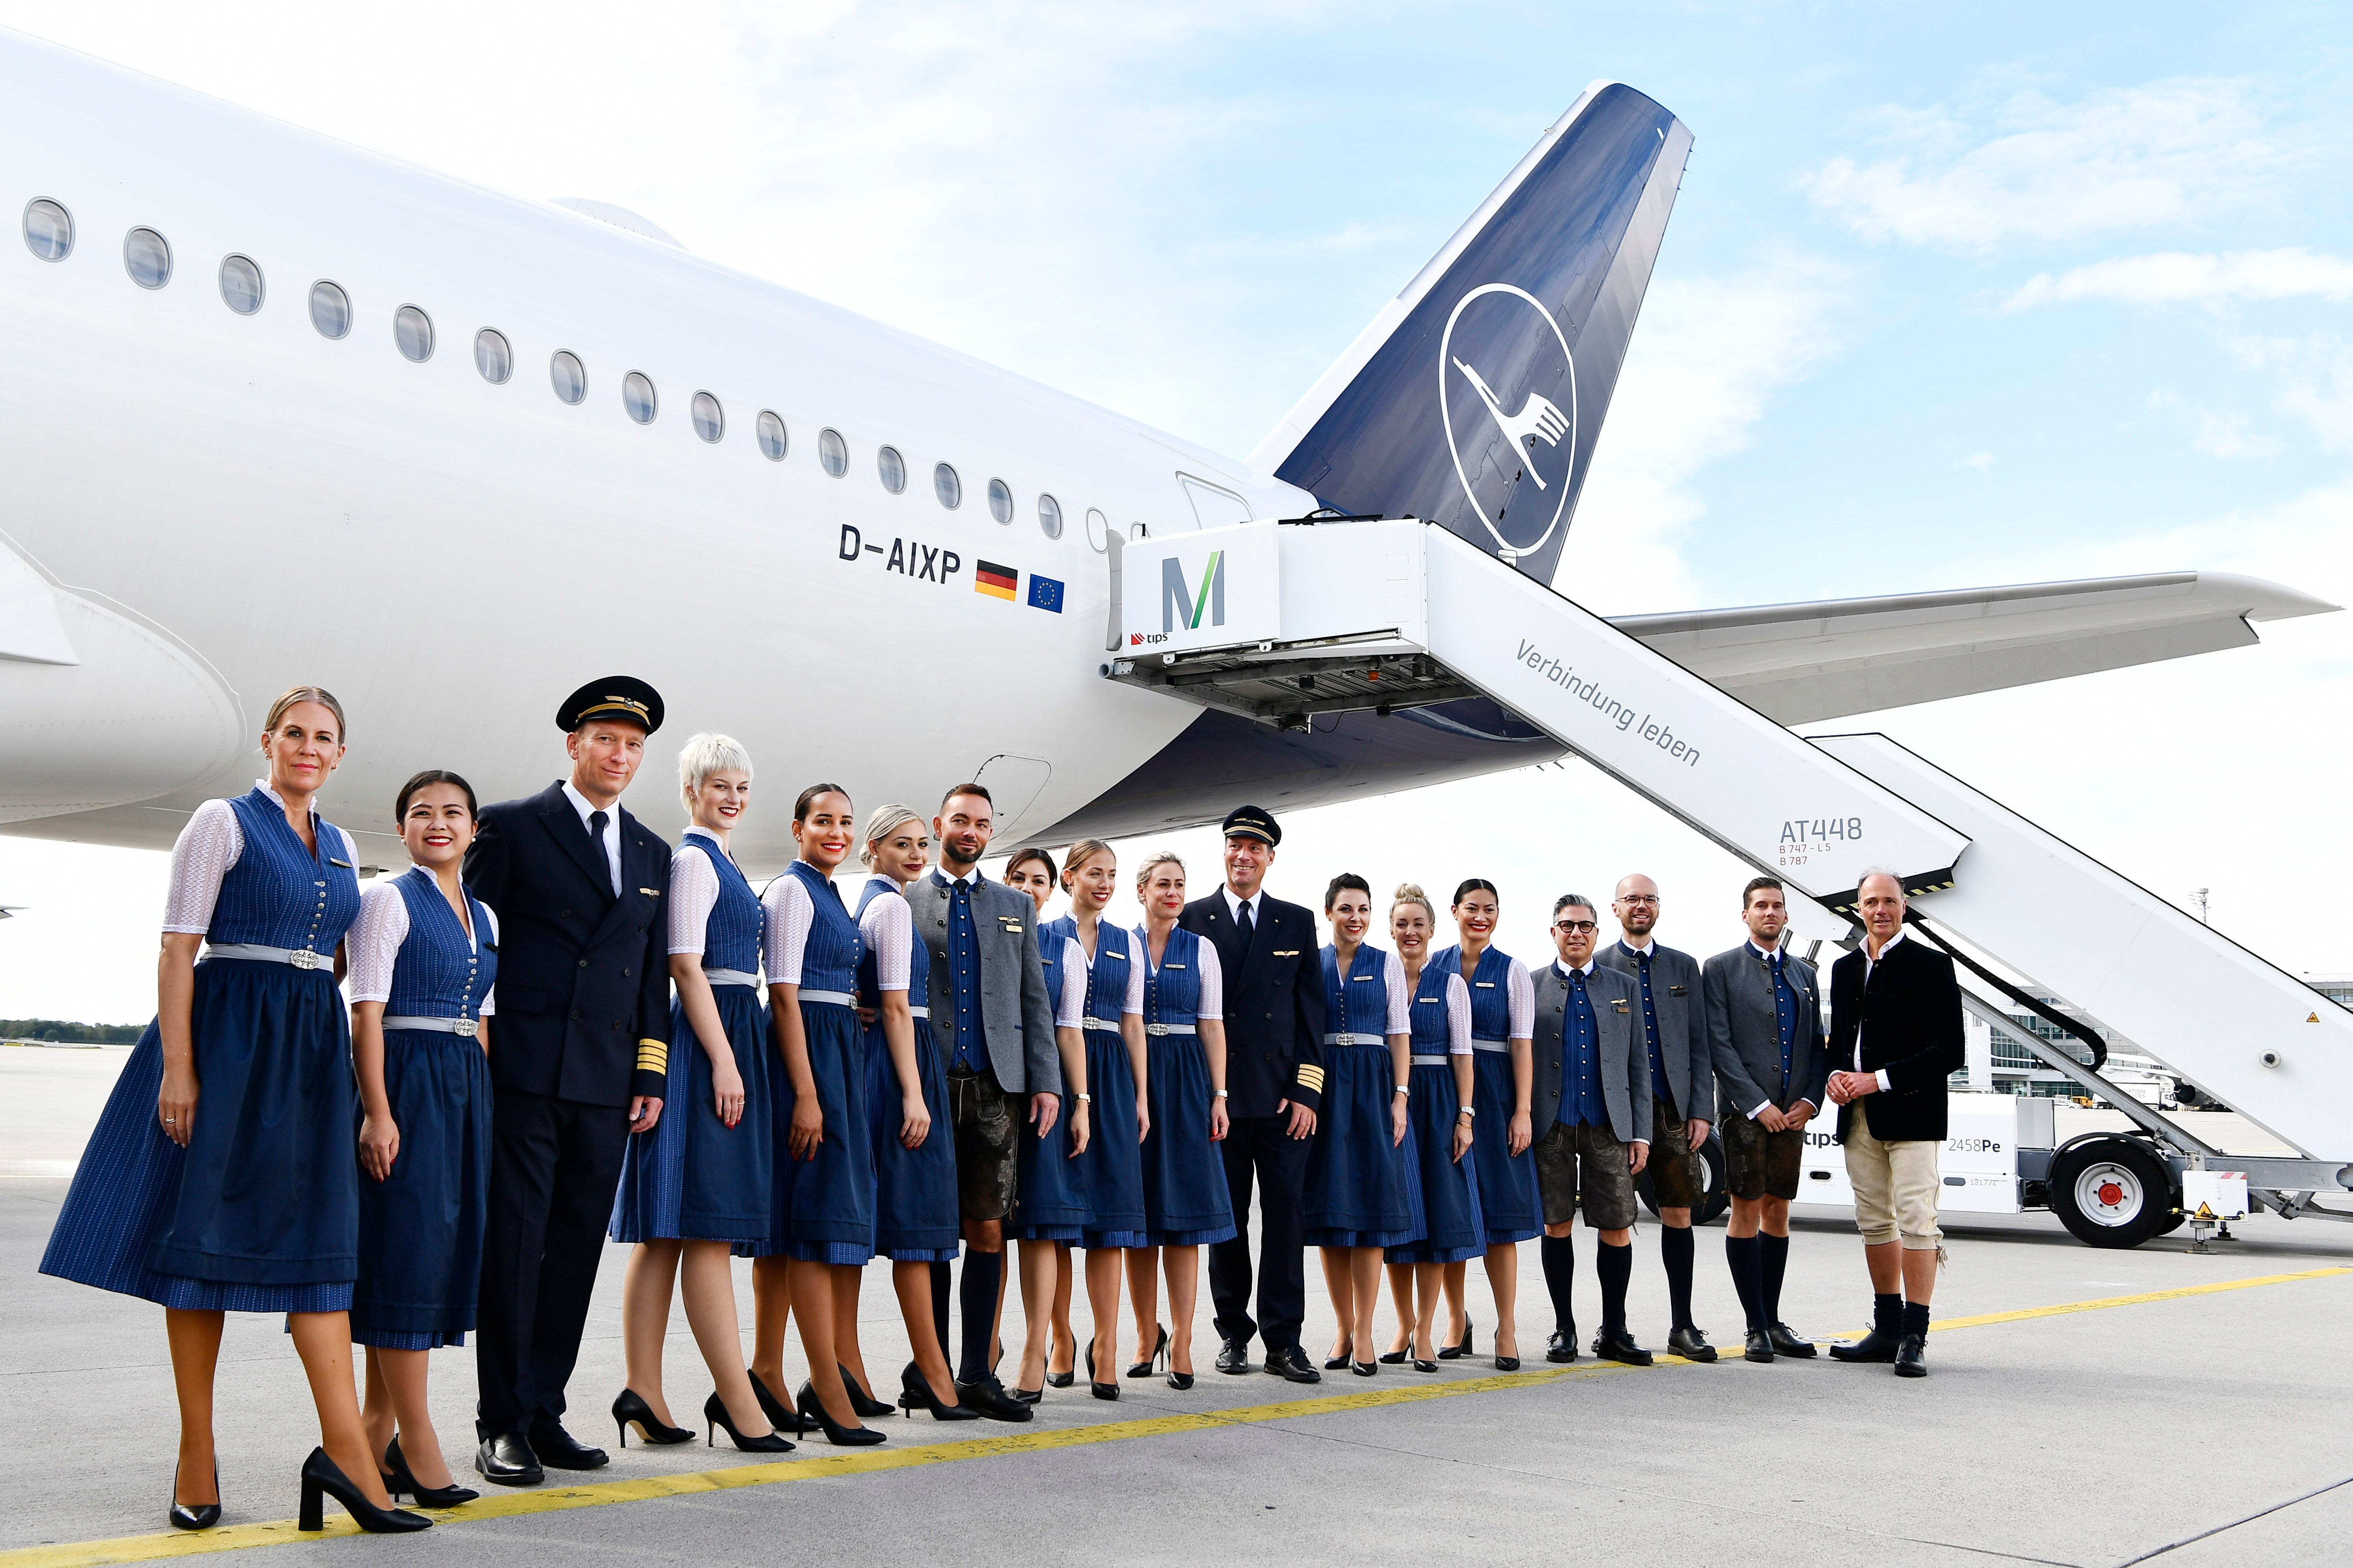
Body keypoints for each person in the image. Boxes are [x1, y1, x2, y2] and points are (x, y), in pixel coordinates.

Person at [41, 686, 430, 1534]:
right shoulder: (222, 820)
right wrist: (179, 1067)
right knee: (203, 1243)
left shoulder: (340, 846)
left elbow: (339, 962)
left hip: (309, 1051)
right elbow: (179, 946)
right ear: (269, 740)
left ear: (338, 754)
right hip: (227, 1041)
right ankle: (195, 1449)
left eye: (325, 737)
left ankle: (347, 1458)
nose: (308, 746)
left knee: (323, 1241)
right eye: (295, 732)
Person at [463, 678, 672, 1487]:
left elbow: (651, 974)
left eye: (633, 745)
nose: (619, 756)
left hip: (609, 1079)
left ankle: (544, 1409)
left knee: (575, 1249)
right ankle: (501, 1421)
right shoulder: (515, 828)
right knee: (515, 1247)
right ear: (574, 745)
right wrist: (473, 1045)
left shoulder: (652, 851)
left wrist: (650, 1068)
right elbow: (471, 939)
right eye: (606, 741)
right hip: (523, 1068)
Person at [607, 736, 790, 1453]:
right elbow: (685, 963)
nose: (734, 798)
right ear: (690, 790)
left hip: (725, 1033)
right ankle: (740, 1406)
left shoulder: (721, 859)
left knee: (669, 1233)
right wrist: (723, 1061)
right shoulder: (693, 861)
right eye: (720, 786)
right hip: (709, 1041)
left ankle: (643, 1390)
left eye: (742, 786)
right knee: (703, 1229)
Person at [348, 770, 497, 1508]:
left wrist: (483, 1106)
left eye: (453, 813)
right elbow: (366, 1012)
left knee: (437, 1255)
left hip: (465, 1086)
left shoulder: (487, 917)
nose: (438, 823)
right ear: (402, 826)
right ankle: (417, 1440)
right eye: (421, 813)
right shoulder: (386, 901)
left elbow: (484, 1019)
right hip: (405, 1079)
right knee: (405, 1253)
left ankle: (373, 1437)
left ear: (473, 827)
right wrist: (378, 1111)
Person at [902, 784, 1059, 1421]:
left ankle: (975, 1373)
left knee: (988, 1228)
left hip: (997, 1088)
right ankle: (931, 1373)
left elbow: (1033, 1000)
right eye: (960, 820)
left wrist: (1045, 1081)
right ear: (941, 824)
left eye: (982, 824)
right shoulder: (904, 896)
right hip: (930, 1084)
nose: (970, 831)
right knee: (936, 1233)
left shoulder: (1014, 904)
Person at [754, 783, 885, 1443]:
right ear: (797, 827)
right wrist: (805, 1093)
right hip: (804, 1060)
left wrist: (845, 1006)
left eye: (844, 822)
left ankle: (767, 1373)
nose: (835, 832)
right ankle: (826, 1389)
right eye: (822, 821)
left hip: (833, 1050)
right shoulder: (789, 891)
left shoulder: (830, 892)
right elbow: (781, 996)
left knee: (799, 1220)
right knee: (807, 1218)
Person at [1178, 805, 1327, 1385]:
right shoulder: (1194, 917)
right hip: (1220, 1099)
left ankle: (1284, 1341)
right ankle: (1233, 1334)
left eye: (1254, 847)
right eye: (1234, 845)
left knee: (1287, 1221)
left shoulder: (1295, 921)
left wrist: (1306, 1094)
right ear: (1224, 852)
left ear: (1269, 857)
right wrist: (1200, 1094)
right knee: (1227, 1223)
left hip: (1281, 1102)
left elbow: (1311, 1015)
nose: (1242, 855)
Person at [851, 805, 980, 1421]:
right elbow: (899, 1009)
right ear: (873, 849)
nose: (915, 854)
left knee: (883, 1229)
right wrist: (914, 1093)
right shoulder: (893, 907)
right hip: (906, 1062)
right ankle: (933, 1374)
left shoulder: (872, 904)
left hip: (889, 1056)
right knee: (922, 1231)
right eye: (900, 844)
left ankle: (848, 1373)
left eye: (920, 844)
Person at [1824, 870, 1964, 1379]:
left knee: (1916, 1220)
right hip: (1856, 1115)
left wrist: (1876, 1080)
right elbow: (1839, 1041)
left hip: (1911, 1112)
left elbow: (1949, 1051)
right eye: (1870, 901)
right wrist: (1835, 1077)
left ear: (1904, 905)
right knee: (1873, 1221)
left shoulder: (1931, 966)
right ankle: (1885, 1328)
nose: (1880, 909)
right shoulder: (1843, 969)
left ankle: (1913, 1335)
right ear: (1857, 908)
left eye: (1889, 900)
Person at [1703, 876, 1830, 1363]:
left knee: (1779, 1210)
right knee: (1747, 1209)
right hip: (1745, 1112)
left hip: (1793, 1112)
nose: (1770, 912)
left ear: (1786, 914)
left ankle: (1774, 1320)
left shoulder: (1804, 972)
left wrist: (1809, 1101)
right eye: (1761, 905)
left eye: (1777, 906)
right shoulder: (1721, 968)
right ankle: (1754, 1325)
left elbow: (1815, 1044)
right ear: (1746, 915)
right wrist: (1758, 1103)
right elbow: (1719, 1043)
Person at [1596, 874, 1718, 1363]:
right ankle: (1613, 1327)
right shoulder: (1599, 962)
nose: (1640, 905)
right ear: (1615, 907)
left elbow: (1700, 1042)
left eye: (1648, 898)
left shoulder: (1684, 966)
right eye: (1631, 898)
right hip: (1618, 1110)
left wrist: (1701, 1109)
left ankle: (1682, 1325)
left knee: (1679, 1212)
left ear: (1658, 907)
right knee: (1616, 1219)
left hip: (1672, 1108)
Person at [1529, 894, 1652, 1367]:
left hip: (1609, 1125)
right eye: (1566, 925)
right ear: (1553, 931)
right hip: (1552, 1125)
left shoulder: (1623, 986)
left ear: (1597, 932)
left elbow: (1639, 1064)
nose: (1575, 933)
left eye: (1584, 926)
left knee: (1617, 1226)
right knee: (1555, 1223)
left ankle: (1614, 1329)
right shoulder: (1531, 984)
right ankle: (1564, 1327)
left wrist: (1641, 1132)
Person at [1128, 850, 1235, 1393]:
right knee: (1138, 1218)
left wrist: (1219, 1094)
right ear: (1141, 889)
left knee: (1186, 1218)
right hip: (1132, 1078)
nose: (1172, 892)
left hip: (1188, 1079)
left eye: (1180, 884)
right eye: (1162, 884)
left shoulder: (1202, 949)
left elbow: (1213, 1025)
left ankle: (1186, 1338)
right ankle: (1147, 1333)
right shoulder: (1121, 943)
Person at [1304, 874, 1414, 1377]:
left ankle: (1367, 1328)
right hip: (1325, 1087)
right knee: (1331, 1213)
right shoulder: (1314, 962)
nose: (1356, 917)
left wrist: (1399, 1097)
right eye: (1346, 908)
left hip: (1372, 1085)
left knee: (1370, 1210)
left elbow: (1398, 1033)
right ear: (1329, 912)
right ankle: (1343, 1327)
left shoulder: (1386, 962)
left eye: (1364, 909)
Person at [1432, 879, 1536, 1372]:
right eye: (1471, 908)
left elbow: (1521, 1044)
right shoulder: (1433, 964)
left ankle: (1507, 1326)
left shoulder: (1512, 970)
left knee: (1499, 1221)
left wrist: (1522, 1109)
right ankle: (1456, 1319)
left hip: (1494, 1097)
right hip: (1443, 1093)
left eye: (1488, 909)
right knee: (1451, 1211)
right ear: (1454, 911)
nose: (1480, 916)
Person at [1002, 847, 1092, 1401]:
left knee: (1037, 1226)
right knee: (989, 1227)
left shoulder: (1067, 949)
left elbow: (1069, 1031)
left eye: (1040, 880)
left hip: (1045, 1098)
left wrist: (1080, 1102)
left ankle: (1036, 1351)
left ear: (1052, 890)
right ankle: (984, 1348)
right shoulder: (988, 934)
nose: (1031, 888)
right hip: (991, 1092)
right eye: (1020, 878)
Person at [1379, 883, 1480, 1373]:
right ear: (1390, 928)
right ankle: (1401, 1323)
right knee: (1399, 1219)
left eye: (1418, 923)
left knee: (1438, 1216)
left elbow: (1464, 1054)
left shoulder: (1450, 983)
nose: (1410, 931)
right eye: (1401, 922)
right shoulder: (1378, 976)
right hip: (1393, 1100)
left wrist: (1465, 1116)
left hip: (1438, 1099)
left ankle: (1425, 1327)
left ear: (1433, 929)